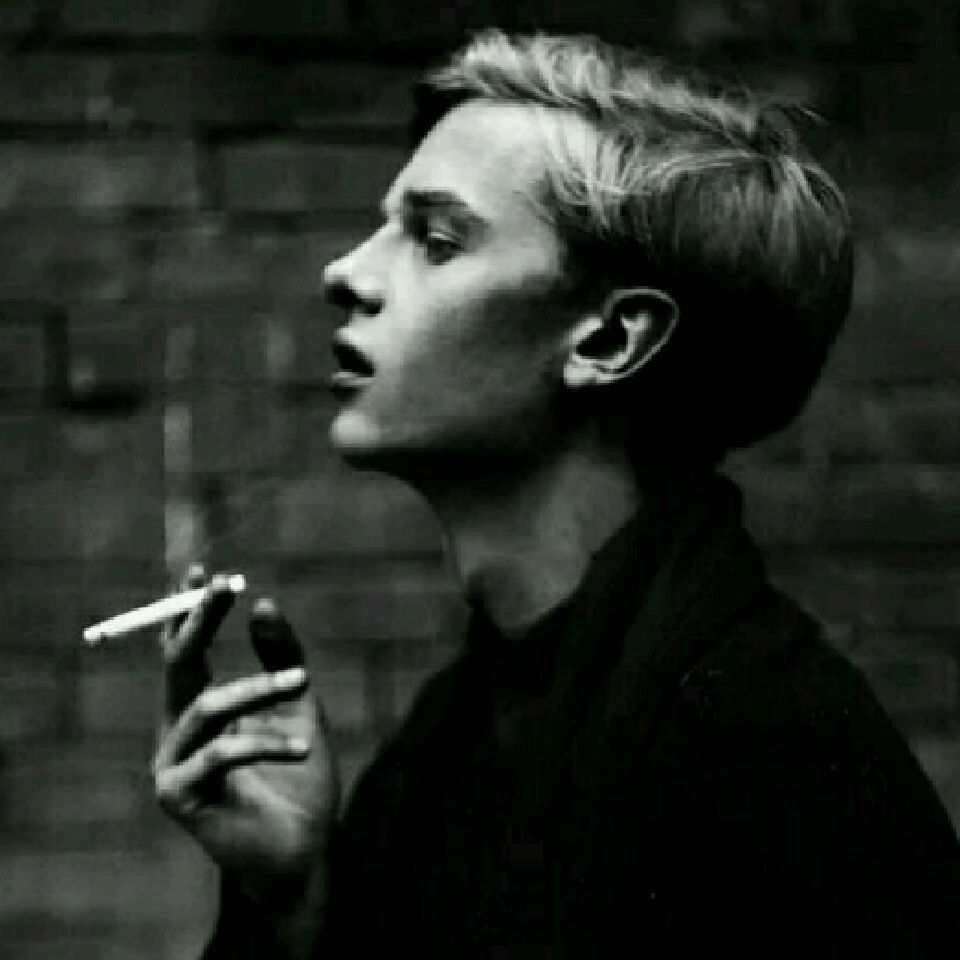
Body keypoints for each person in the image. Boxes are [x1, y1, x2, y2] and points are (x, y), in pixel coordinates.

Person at [152, 30, 960, 958]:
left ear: (609, 341)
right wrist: (297, 898)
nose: (348, 274)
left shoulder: (766, 753)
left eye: (437, 240)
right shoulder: (459, 729)